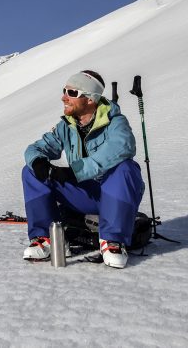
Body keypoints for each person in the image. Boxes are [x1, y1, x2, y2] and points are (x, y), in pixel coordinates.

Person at [22, 70, 144, 268]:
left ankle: (112, 241)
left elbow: (122, 147)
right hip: (83, 194)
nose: (64, 97)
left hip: (114, 194)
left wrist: (73, 172)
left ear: (90, 99)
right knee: (31, 172)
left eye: (72, 93)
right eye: (64, 91)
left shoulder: (116, 123)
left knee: (126, 168)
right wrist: (38, 162)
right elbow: (36, 148)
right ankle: (46, 238)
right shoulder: (66, 126)